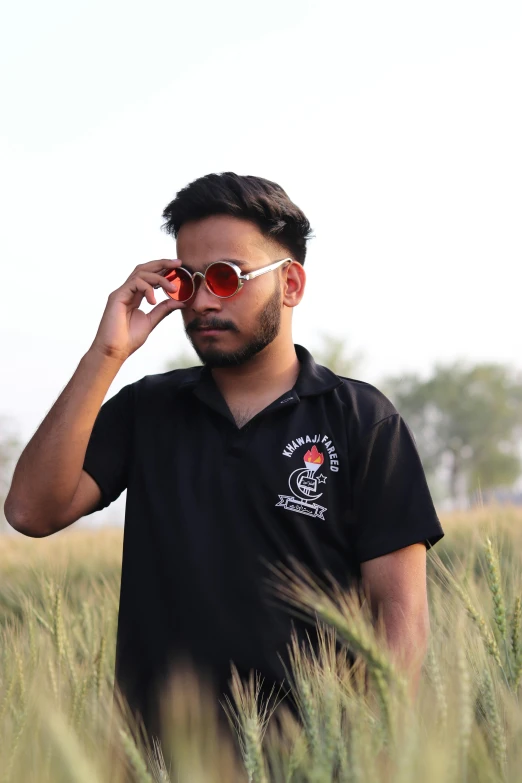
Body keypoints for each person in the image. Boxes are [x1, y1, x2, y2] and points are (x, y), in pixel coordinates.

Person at [5, 172, 444, 742]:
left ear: (290, 284)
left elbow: (400, 618)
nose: (204, 301)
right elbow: (31, 513)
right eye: (187, 282)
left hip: (314, 762)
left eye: (226, 277)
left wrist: (383, 755)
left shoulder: (361, 419)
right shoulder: (148, 410)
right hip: (159, 760)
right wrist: (108, 352)